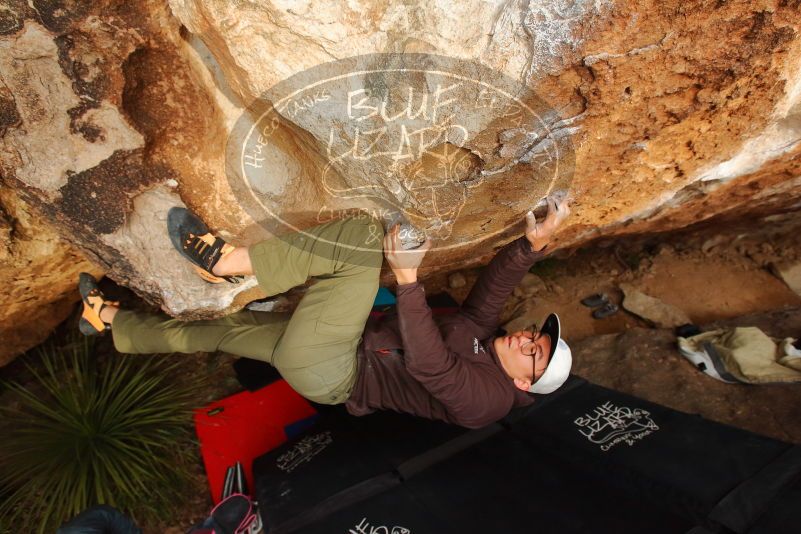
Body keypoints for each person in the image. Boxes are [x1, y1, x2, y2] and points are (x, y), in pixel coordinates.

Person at [78, 196, 572, 429]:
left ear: (523, 383)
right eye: (536, 336)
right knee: (224, 329)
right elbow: (492, 292)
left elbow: (430, 365)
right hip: (339, 349)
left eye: (534, 354)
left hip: (338, 369)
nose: (527, 340)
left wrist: (407, 279)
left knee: (361, 239)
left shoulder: (489, 402)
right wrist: (531, 246)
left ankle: (227, 264)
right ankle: (111, 322)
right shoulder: (485, 339)